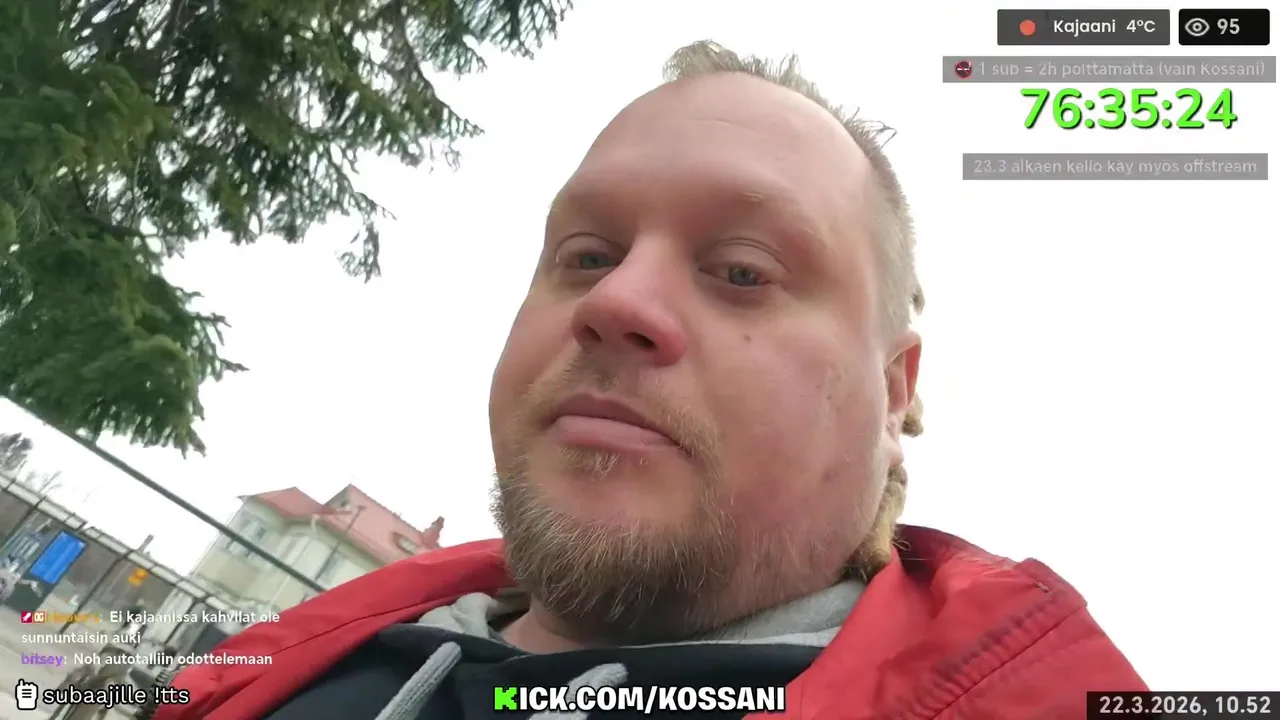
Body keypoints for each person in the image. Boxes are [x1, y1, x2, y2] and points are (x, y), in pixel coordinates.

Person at [147, 41, 1146, 720]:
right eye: (586, 255)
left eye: (742, 272)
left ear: (892, 395)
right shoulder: (267, 666)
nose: (615, 299)